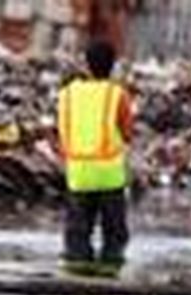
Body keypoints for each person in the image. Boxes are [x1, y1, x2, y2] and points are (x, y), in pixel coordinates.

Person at [57, 39, 134, 275]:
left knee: (77, 234)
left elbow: (61, 129)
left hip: (78, 173)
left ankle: (76, 277)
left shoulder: (67, 94)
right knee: (114, 235)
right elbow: (127, 132)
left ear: (86, 66)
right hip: (109, 174)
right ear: (112, 67)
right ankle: (111, 275)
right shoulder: (117, 95)